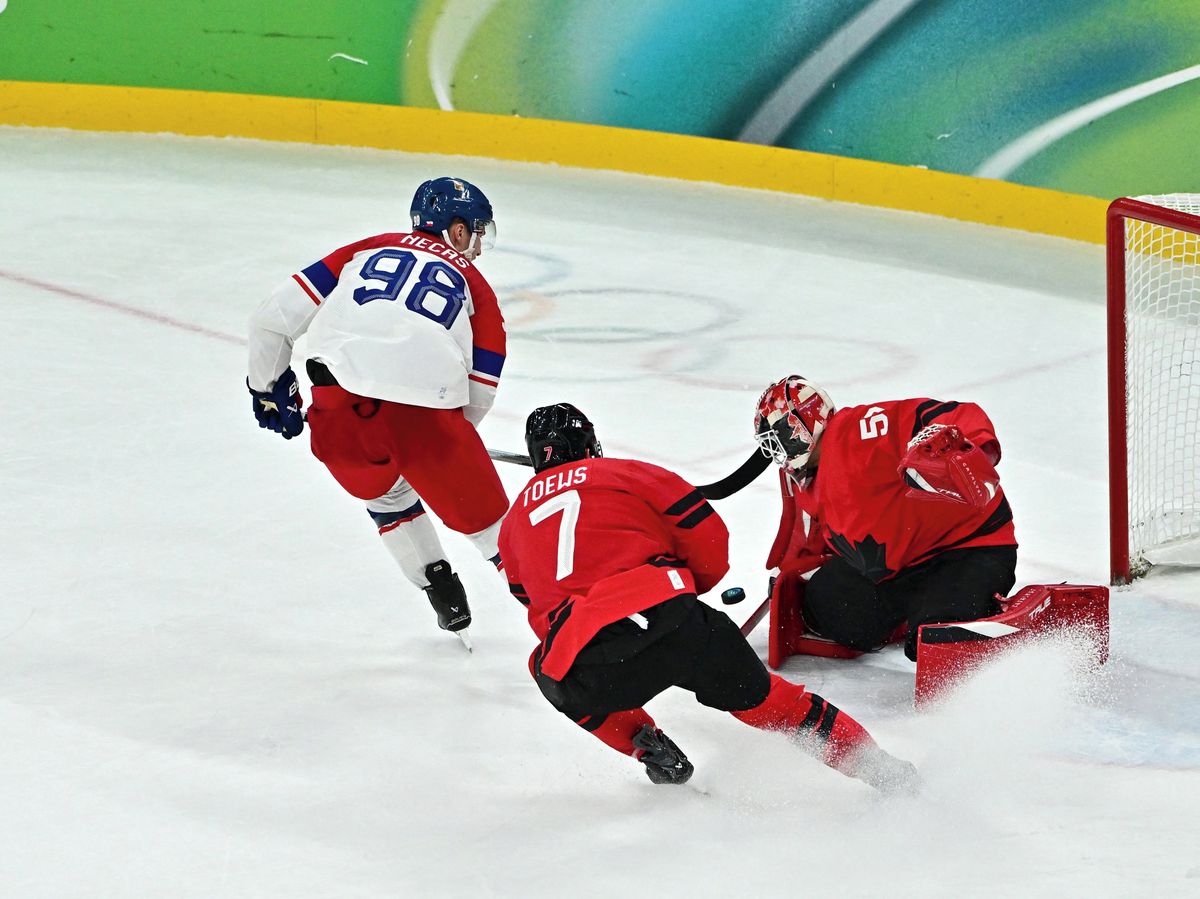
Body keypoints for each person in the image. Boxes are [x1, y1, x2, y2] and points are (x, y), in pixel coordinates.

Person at [497, 403, 917, 791]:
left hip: (587, 656)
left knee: (548, 669)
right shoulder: (628, 474)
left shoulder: (513, 524)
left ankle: (647, 747)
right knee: (775, 704)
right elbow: (710, 542)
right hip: (672, 620)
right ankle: (882, 771)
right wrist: (679, 588)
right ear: (589, 444)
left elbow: (531, 601)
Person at [246, 177, 509, 645]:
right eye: (476, 233)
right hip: (429, 422)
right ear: (457, 230)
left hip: (341, 415)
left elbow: (271, 320)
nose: (478, 248)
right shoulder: (477, 287)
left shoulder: (366, 248)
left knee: (386, 497)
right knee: (494, 532)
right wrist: (448, 444)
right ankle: (564, 615)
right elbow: (481, 391)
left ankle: (439, 589)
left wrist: (266, 388)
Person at [754, 375, 1017, 662]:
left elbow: (954, 414)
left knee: (937, 643)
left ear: (802, 424)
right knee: (827, 606)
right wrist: (791, 574)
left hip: (969, 548)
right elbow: (814, 538)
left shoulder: (857, 431)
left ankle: (990, 618)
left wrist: (972, 451)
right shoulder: (806, 482)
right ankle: (916, 615)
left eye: (778, 438)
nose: (777, 452)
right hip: (900, 569)